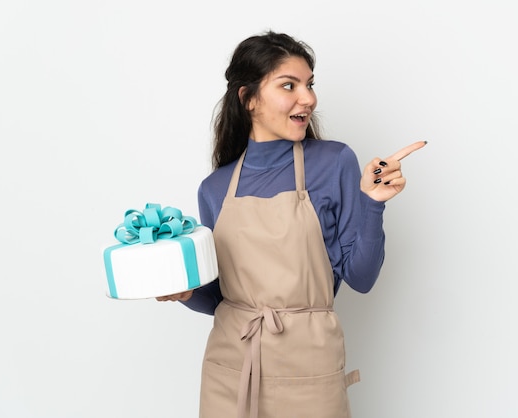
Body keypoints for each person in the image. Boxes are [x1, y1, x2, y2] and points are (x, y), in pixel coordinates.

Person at [156, 30, 426, 418]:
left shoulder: (333, 163)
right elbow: (220, 298)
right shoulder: (215, 188)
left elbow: (362, 279)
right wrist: (185, 293)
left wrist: (372, 204)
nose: (309, 98)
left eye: (310, 84)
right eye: (289, 85)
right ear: (248, 99)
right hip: (230, 371)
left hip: (308, 369)